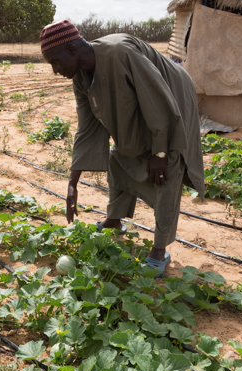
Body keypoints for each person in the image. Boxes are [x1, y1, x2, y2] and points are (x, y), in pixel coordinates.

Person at [40, 21, 204, 277]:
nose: (55, 70)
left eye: (55, 62)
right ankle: (114, 220)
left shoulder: (120, 52)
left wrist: (159, 153)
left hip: (173, 94)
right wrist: (73, 182)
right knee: (119, 156)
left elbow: (158, 102)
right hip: (153, 102)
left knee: (167, 169)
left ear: (72, 49)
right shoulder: (81, 78)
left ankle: (159, 250)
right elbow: (87, 129)